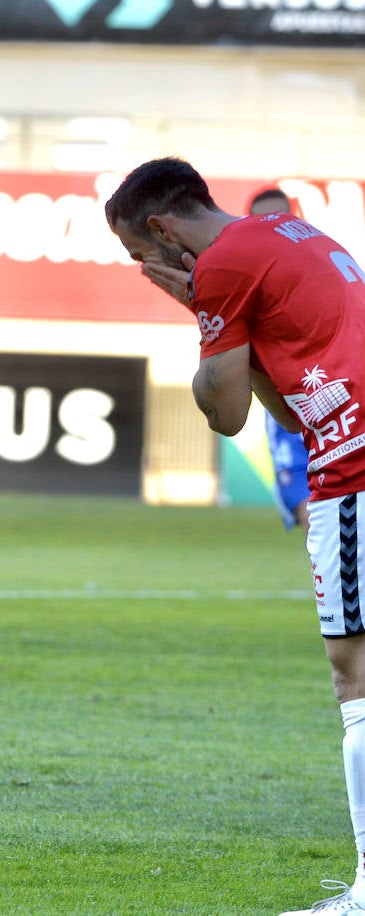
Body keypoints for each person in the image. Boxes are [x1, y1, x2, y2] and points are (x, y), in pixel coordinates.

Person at [106, 157, 365, 915]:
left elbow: (225, 414)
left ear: (160, 230)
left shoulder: (221, 267)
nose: (144, 270)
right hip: (344, 444)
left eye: (137, 257)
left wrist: (204, 316)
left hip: (356, 469)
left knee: (356, 677)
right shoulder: (290, 233)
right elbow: (287, 409)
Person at [248, 186, 311, 532]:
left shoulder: (326, 265)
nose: (273, 227)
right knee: (314, 516)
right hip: (298, 402)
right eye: (262, 222)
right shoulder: (245, 287)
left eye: (281, 219)